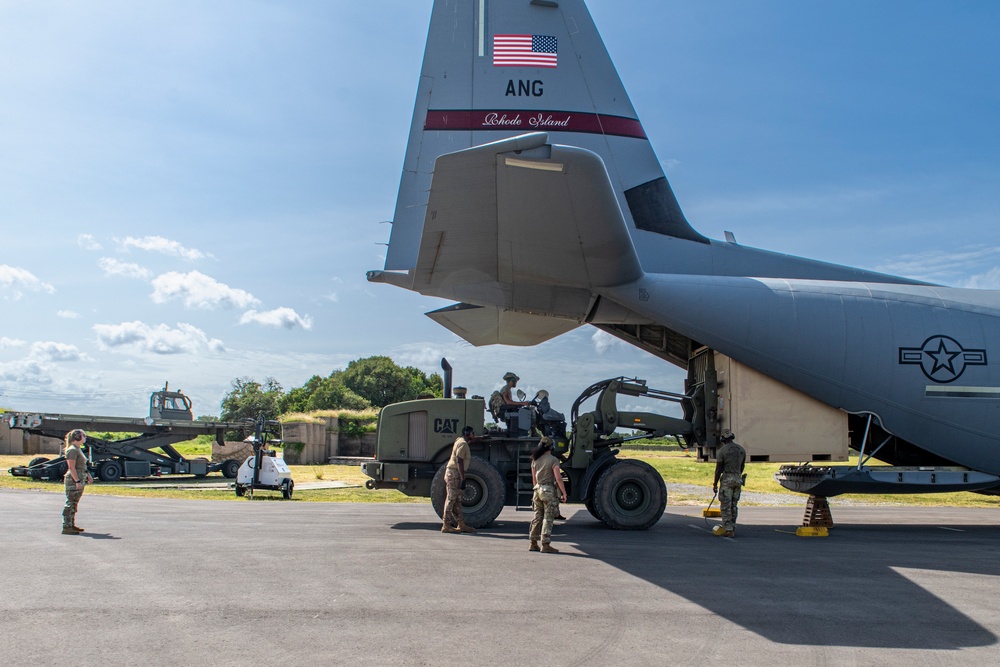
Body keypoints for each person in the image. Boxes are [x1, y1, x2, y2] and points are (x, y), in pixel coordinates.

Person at [528, 437, 567, 553]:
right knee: (548, 518)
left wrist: (536, 489)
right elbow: (558, 478)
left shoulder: (535, 459)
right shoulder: (553, 460)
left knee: (537, 517)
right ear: (552, 447)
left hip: (537, 490)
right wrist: (564, 493)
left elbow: (534, 479)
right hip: (548, 491)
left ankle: (533, 543)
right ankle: (545, 544)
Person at [441, 426, 476, 534]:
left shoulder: (460, 440)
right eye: (472, 433)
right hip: (454, 473)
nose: (474, 435)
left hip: (453, 472)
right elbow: (459, 461)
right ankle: (446, 525)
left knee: (457, 501)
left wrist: (480, 438)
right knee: (451, 499)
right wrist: (462, 478)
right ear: (467, 433)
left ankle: (461, 524)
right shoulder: (463, 444)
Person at [713, 429, 747, 538]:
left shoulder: (722, 451)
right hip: (738, 478)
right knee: (734, 505)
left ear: (723, 439)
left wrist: (715, 483)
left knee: (726, 505)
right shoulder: (741, 450)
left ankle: (728, 529)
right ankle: (732, 526)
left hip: (727, 478)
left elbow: (718, 469)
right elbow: (742, 466)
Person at [62, 429, 93, 535]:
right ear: (77, 437)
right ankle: (66, 526)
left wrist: (87, 475)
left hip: (80, 476)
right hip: (73, 479)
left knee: (74, 503)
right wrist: (77, 481)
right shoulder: (72, 450)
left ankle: (71, 524)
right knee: (70, 503)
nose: (85, 437)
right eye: (83, 435)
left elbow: (82, 465)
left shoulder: (78, 449)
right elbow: (71, 467)